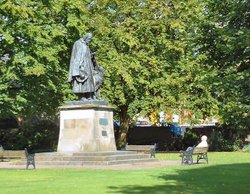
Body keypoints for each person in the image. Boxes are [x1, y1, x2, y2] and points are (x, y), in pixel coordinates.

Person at [68, 33, 102, 100]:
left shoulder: (86, 45)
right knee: (82, 81)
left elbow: (86, 55)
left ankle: (89, 96)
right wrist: (78, 67)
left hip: (88, 66)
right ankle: (82, 96)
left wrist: (91, 55)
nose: (89, 41)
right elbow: (76, 55)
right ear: (86, 37)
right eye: (89, 39)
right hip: (81, 66)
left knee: (89, 81)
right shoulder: (78, 43)